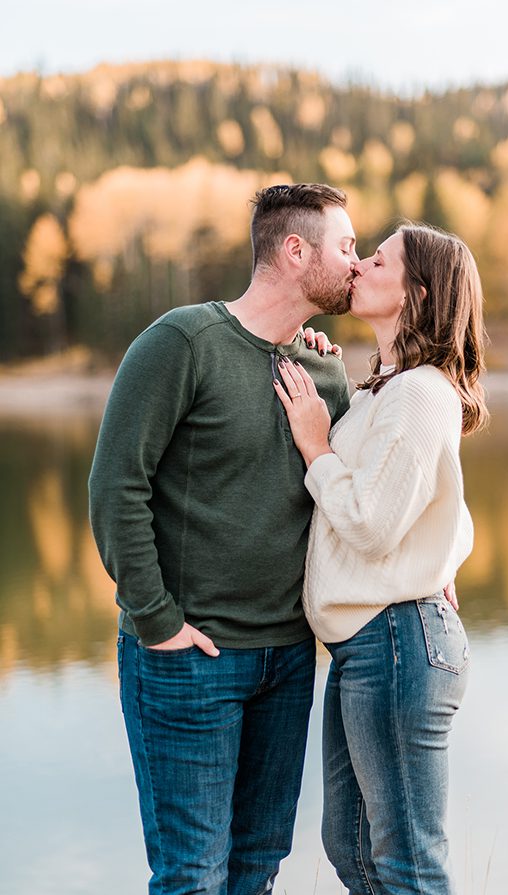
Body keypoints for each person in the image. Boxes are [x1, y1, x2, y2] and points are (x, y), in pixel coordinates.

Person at [89, 183, 356, 895]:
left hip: (289, 661)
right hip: (189, 660)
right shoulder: (183, 342)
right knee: (192, 876)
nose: (356, 264)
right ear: (296, 251)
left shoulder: (327, 370)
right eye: (346, 246)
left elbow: (362, 498)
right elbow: (117, 486)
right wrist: (157, 619)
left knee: (256, 871)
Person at [272, 222, 487, 894]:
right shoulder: (390, 390)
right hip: (370, 645)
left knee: (406, 863)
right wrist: (321, 371)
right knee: (354, 847)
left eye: (378, 258)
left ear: (416, 292)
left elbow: (369, 522)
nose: (361, 264)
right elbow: (439, 506)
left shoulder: (421, 393)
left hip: (395, 641)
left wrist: (314, 446)